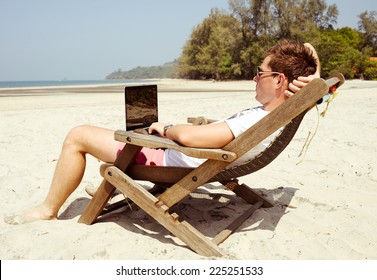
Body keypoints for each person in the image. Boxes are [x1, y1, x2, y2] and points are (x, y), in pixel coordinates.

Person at [5, 39, 320, 224]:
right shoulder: (279, 113)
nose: (254, 78)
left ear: (279, 80)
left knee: (78, 135)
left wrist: (165, 129)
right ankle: (114, 183)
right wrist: (313, 73)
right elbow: (311, 68)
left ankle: (48, 210)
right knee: (110, 160)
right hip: (189, 157)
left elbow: (194, 140)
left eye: (260, 73)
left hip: (171, 163)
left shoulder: (254, 122)